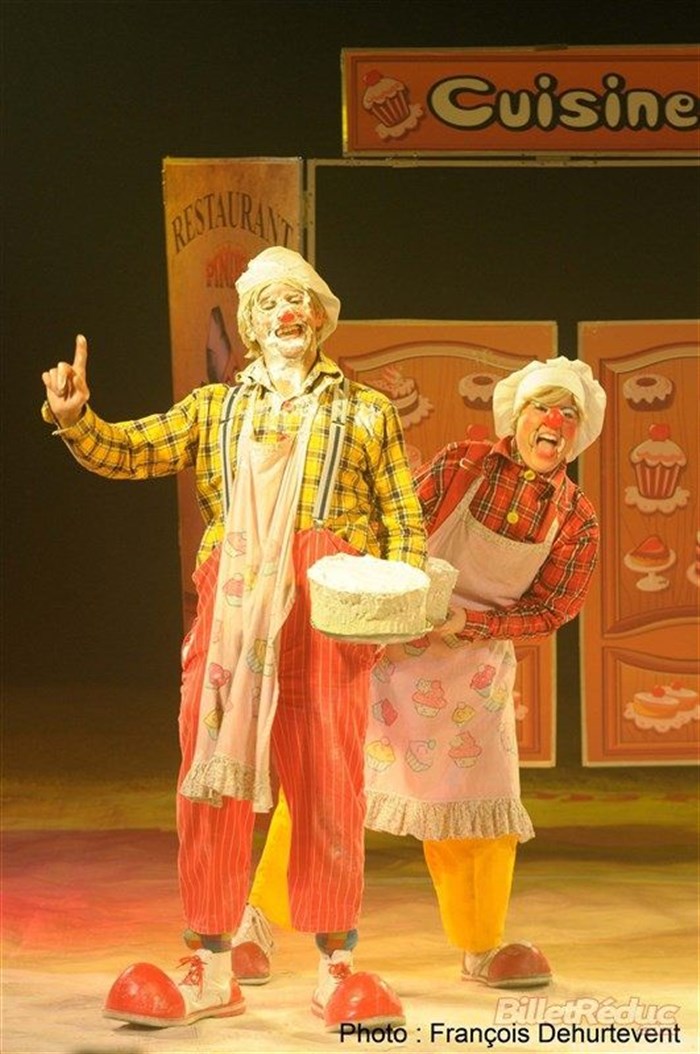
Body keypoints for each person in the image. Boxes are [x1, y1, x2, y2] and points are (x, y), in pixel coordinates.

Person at [41, 247, 426, 1031]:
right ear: (251, 322)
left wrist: (394, 612)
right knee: (208, 780)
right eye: (273, 302)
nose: (289, 312)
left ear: (320, 320)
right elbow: (133, 450)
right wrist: (77, 420)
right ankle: (211, 966)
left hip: (326, 613)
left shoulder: (365, 411)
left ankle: (336, 969)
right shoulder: (215, 408)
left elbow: (404, 522)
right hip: (232, 617)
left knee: (329, 786)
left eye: (302, 300)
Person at [234, 355, 606, 990]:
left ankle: (481, 946)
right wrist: (402, 604)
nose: (554, 421)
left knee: (478, 810)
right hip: (392, 655)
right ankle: (256, 926)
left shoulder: (576, 518)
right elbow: (398, 528)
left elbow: (554, 608)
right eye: (542, 408)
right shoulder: (464, 465)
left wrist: (472, 625)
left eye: (568, 414)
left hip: (474, 674)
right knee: (324, 785)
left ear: (578, 433)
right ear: (517, 417)